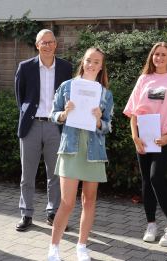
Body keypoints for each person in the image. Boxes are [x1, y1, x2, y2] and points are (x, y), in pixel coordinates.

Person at [48, 47, 114, 261]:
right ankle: (54, 248)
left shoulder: (106, 94)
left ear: (101, 66)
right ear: (83, 62)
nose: (91, 65)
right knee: (67, 202)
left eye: (96, 62)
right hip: (71, 148)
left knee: (89, 201)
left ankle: (82, 246)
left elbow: (107, 127)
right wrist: (65, 113)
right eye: (88, 60)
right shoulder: (67, 87)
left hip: (94, 150)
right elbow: (53, 115)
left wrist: (98, 121)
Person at [123, 42, 167, 247]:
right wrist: (135, 136)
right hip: (144, 137)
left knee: (155, 178)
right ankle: (151, 225)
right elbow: (133, 111)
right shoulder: (144, 79)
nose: (159, 58)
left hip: (164, 137)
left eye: (163, 54)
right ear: (151, 57)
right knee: (145, 181)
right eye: (156, 54)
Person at [14, 29, 72, 231]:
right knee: (27, 174)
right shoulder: (25, 67)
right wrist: (27, 114)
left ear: (56, 44)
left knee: (55, 174)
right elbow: (20, 97)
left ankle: (53, 213)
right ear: (37, 45)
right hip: (31, 125)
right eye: (43, 42)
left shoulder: (65, 67)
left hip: (56, 126)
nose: (47, 45)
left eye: (50, 42)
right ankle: (26, 214)